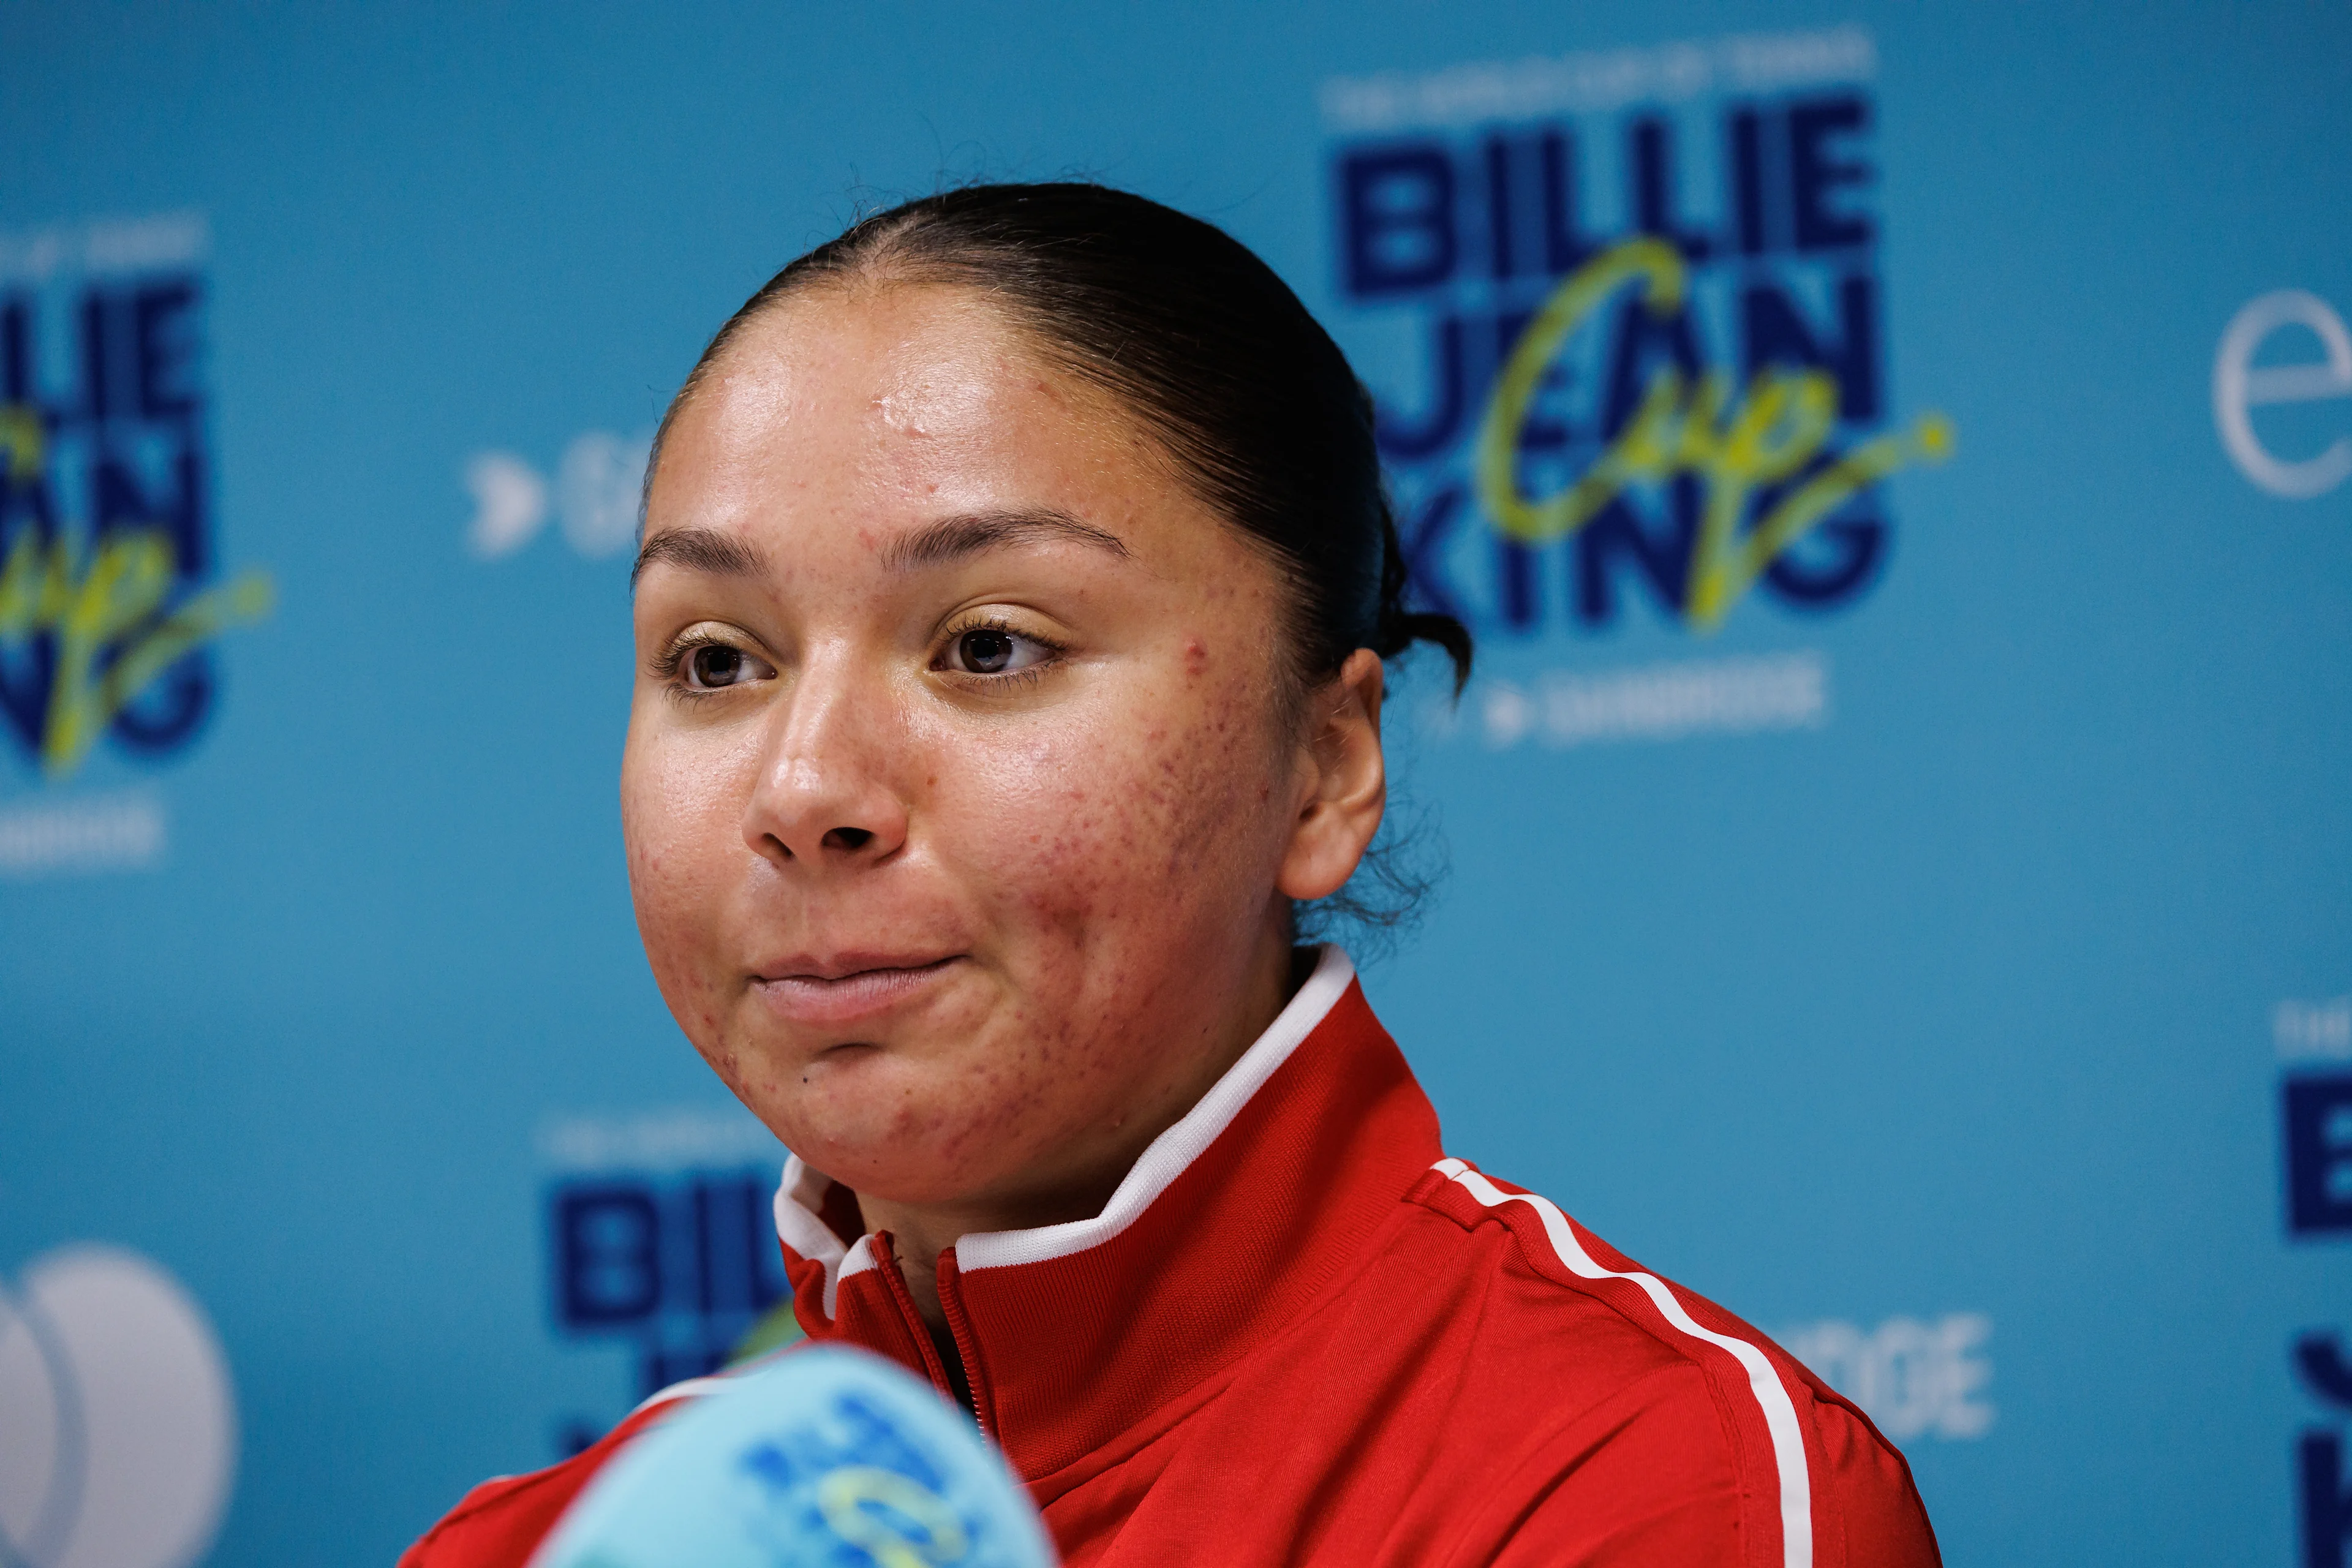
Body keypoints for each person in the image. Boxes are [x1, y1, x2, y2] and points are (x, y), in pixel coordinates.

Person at [404, 183, 1939, 1568]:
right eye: (716, 658)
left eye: (988, 644)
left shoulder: (1664, 1492)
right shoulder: (525, 1549)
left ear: (1324, 766)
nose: (804, 791)